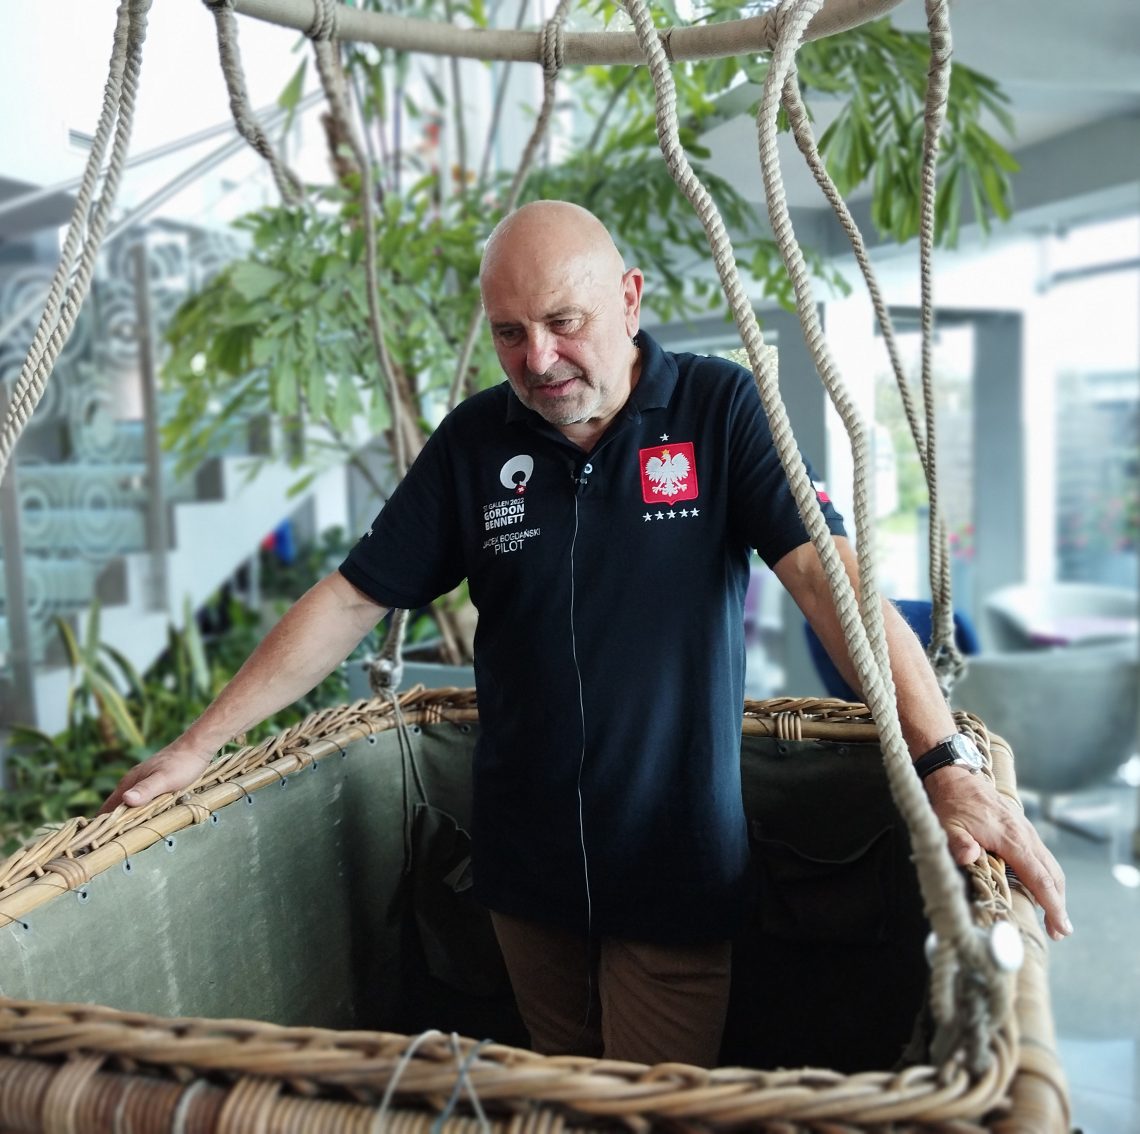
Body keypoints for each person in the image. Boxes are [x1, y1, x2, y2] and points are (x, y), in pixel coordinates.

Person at [102, 200, 1070, 1068]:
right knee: (560, 1089)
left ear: (630, 298)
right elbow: (353, 599)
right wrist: (197, 747)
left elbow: (831, 582)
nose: (538, 360)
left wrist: (946, 761)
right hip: (524, 869)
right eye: (510, 334)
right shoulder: (477, 442)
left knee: (639, 1106)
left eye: (564, 323)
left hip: (674, 861)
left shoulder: (719, 411)